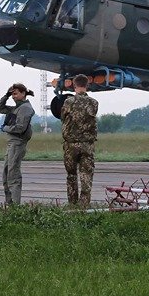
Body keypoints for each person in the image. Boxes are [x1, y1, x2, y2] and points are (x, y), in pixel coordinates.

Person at [0, 82, 36, 206]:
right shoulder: (16, 108)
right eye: (12, 94)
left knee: (13, 174)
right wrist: (6, 95)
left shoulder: (25, 109)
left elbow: (20, 128)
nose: (13, 96)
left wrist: (5, 128)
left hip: (17, 143)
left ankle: (15, 205)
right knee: (6, 173)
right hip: (12, 143)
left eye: (15, 93)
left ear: (23, 94)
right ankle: (9, 203)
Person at [61, 74, 99, 208]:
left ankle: (72, 204)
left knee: (71, 175)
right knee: (86, 175)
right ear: (87, 85)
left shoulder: (68, 102)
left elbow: (63, 118)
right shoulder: (94, 103)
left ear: (74, 85)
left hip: (71, 143)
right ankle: (84, 205)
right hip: (87, 144)